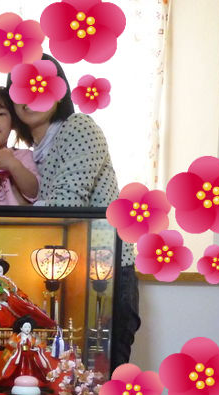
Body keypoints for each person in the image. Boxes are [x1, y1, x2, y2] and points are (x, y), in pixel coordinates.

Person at [7, 54, 139, 368]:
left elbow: (68, 202)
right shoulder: (29, 154)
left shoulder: (79, 127)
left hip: (105, 271)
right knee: (60, 376)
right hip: (63, 271)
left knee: (100, 377)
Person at [0, 315, 53, 389]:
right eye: (25, 327)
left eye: (29, 327)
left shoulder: (34, 336)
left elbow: (40, 344)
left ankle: (31, 382)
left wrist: (36, 348)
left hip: (31, 358)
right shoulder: (16, 336)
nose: (27, 329)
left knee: (32, 371)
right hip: (19, 357)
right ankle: (14, 382)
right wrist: (19, 346)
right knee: (16, 371)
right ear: (21, 328)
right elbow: (10, 343)